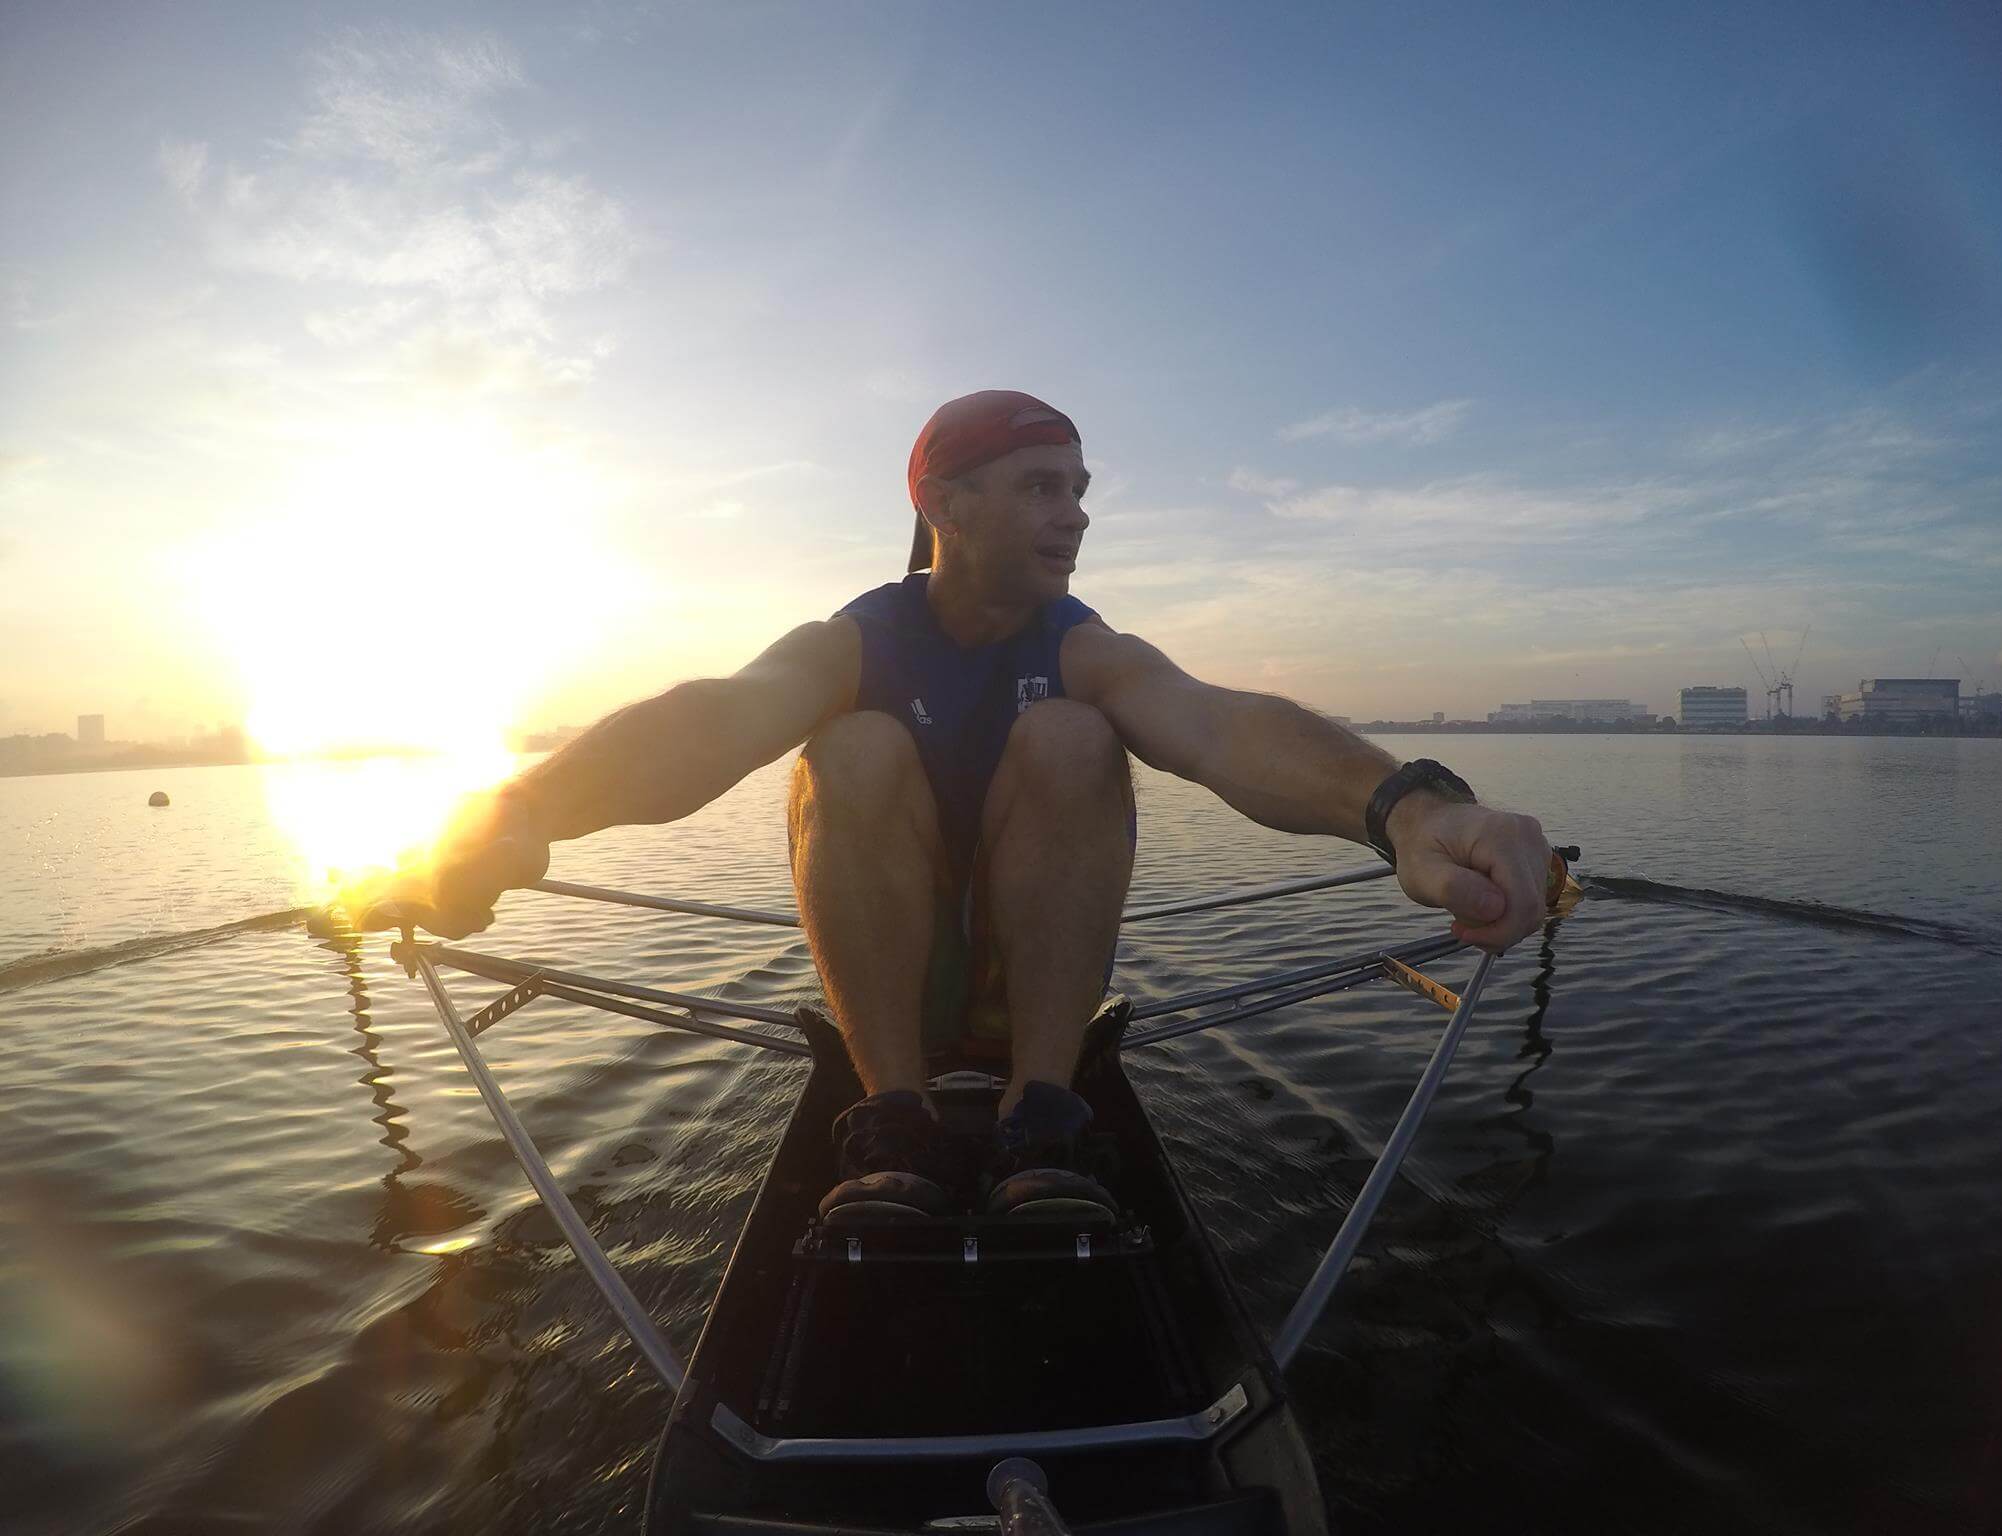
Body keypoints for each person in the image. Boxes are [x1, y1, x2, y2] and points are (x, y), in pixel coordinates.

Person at [380, 390, 1557, 1223]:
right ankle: (890, 1116)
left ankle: (1042, 1115)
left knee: (1074, 733)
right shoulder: (852, 642)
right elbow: (718, 720)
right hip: (900, 988)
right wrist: (520, 809)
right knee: (847, 743)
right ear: (941, 503)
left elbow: (1213, 724)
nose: (1076, 513)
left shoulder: (1083, 648)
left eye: (1079, 490)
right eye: (1041, 486)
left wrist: (1408, 810)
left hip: (1019, 992)